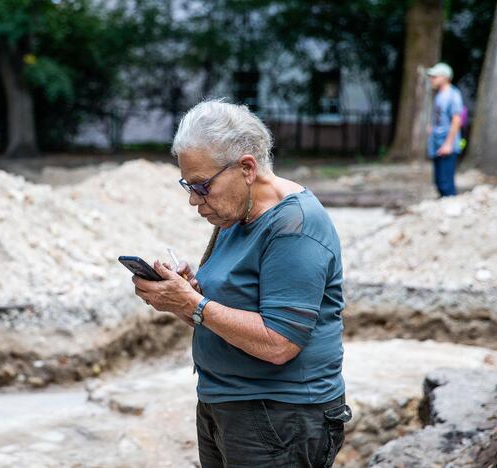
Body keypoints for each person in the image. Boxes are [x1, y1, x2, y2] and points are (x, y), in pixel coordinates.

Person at [132, 100, 351, 467]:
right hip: (230, 405)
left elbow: (280, 343)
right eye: (188, 184)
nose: (192, 200)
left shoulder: (295, 226)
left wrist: (193, 304)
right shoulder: (232, 217)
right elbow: (222, 316)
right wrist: (186, 295)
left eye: (201, 186)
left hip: (280, 414)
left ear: (247, 168)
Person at [427, 62, 464, 197]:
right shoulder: (439, 95)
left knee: (446, 183)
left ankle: (452, 209)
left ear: (445, 77)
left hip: (447, 144)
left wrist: (448, 144)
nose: (432, 79)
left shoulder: (453, 95)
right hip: (437, 143)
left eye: (435, 76)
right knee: (438, 181)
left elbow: (456, 120)